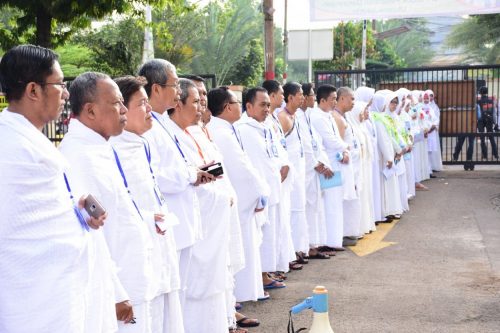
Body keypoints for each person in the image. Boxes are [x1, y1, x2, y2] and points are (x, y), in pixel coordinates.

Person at [0, 44, 102, 333]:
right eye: (60, 84)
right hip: (31, 297)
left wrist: (79, 210)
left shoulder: (31, 137)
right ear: (33, 90)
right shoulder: (9, 144)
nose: (66, 93)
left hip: (56, 292)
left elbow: (44, 209)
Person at [59, 72, 154, 332]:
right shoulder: (79, 155)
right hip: (115, 289)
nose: (124, 110)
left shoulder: (100, 146)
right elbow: (90, 233)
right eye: (116, 103)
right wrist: (116, 291)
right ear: (90, 110)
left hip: (130, 274)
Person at [138, 60, 215, 311]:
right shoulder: (147, 124)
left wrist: (192, 173)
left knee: (180, 294)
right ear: (157, 89)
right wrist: (190, 175)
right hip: (170, 218)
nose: (179, 92)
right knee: (171, 299)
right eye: (174, 85)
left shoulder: (162, 122)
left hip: (182, 217)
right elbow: (155, 175)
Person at [110, 75, 184, 333]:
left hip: (159, 245)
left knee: (164, 318)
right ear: (120, 109)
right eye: (141, 103)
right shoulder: (112, 149)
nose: (149, 109)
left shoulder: (141, 143)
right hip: (133, 260)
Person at [206, 86, 271, 303]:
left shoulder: (225, 128)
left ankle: (239, 296)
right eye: (236, 103)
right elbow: (240, 168)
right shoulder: (221, 132)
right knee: (239, 248)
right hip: (237, 198)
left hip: (242, 196)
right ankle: (237, 297)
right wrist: (260, 191)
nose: (240, 107)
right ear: (226, 107)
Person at [237, 87, 287, 290]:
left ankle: (266, 272)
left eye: (268, 104)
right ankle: (260, 276)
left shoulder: (265, 126)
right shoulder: (243, 129)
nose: (267, 109)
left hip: (273, 188)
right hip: (257, 193)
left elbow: (275, 153)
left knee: (270, 235)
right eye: (262, 105)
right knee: (259, 237)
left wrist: (284, 166)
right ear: (248, 106)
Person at [309, 84, 349, 251]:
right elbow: (331, 140)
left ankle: (334, 239)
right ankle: (330, 241)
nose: (335, 102)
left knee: (335, 202)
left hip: (335, 162)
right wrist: (347, 147)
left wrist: (344, 148)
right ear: (323, 100)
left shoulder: (327, 115)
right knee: (330, 204)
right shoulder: (318, 117)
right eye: (332, 99)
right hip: (329, 165)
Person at [297, 83, 334, 258]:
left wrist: (322, 163)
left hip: (315, 169)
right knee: (307, 209)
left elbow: (316, 142)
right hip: (307, 170)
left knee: (315, 209)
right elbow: (304, 145)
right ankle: (306, 247)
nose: (313, 98)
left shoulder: (307, 115)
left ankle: (314, 245)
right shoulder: (296, 116)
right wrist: (318, 165)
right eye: (311, 95)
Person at [277, 82, 310, 263]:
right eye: (299, 95)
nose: (302, 98)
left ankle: (299, 249)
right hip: (289, 172)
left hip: (300, 170)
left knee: (299, 209)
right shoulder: (282, 117)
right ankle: (292, 253)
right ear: (290, 97)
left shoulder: (298, 116)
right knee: (292, 211)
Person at [333, 87, 361, 245]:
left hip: (351, 167)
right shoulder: (336, 118)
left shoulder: (345, 117)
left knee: (350, 198)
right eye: (351, 99)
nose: (353, 103)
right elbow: (338, 146)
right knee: (342, 199)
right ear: (342, 99)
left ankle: (349, 232)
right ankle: (343, 234)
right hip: (341, 168)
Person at [476, 86, 498, 160]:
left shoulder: (478, 101)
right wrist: (495, 122)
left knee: (482, 138)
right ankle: (496, 154)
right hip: (489, 120)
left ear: (480, 93)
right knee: (491, 137)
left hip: (481, 120)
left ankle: (485, 155)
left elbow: (477, 112)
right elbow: (494, 112)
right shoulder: (491, 101)